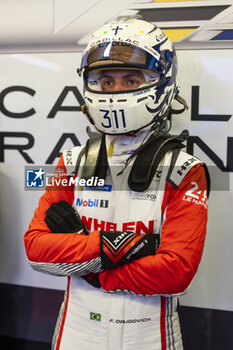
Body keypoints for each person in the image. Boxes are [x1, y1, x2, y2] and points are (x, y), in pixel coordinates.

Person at [24, 16, 209, 350]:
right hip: (76, 333)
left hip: (151, 336)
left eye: (131, 79)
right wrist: (125, 247)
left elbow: (176, 273)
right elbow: (37, 251)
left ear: (161, 83)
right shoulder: (70, 162)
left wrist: (90, 267)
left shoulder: (185, 170)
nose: (116, 91)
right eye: (105, 81)